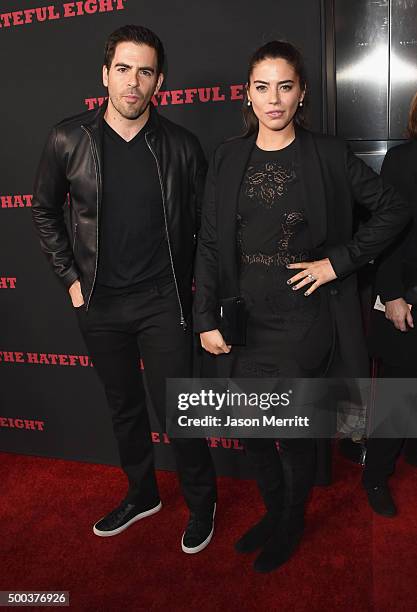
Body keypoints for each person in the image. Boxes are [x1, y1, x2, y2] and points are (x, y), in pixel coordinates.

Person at [193, 40, 411, 573]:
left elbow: (394, 209)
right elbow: (209, 241)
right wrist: (204, 316)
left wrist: (339, 262)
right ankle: (275, 512)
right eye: (262, 87)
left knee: (290, 431)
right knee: (252, 431)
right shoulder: (227, 156)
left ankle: (291, 519)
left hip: (304, 321)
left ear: (301, 93)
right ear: (248, 94)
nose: (274, 99)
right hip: (246, 319)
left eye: (285, 87)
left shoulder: (329, 154)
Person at [31, 24, 217, 554]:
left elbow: (206, 231)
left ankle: (202, 503)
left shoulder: (181, 146)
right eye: (123, 69)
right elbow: (44, 211)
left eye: (145, 72)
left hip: (164, 303)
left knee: (180, 409)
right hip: (100, 303)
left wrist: (199, 300)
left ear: (159, 81)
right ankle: (142, 495)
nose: (132, 83)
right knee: (124, 408)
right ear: (104, 75)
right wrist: (71, 282)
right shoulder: (69, 139)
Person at [364, 91, 417, 517]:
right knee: (399, 389)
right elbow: (385, 235)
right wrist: (392, 294)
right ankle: (376, 474)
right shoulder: (402, 161)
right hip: (406, 293)